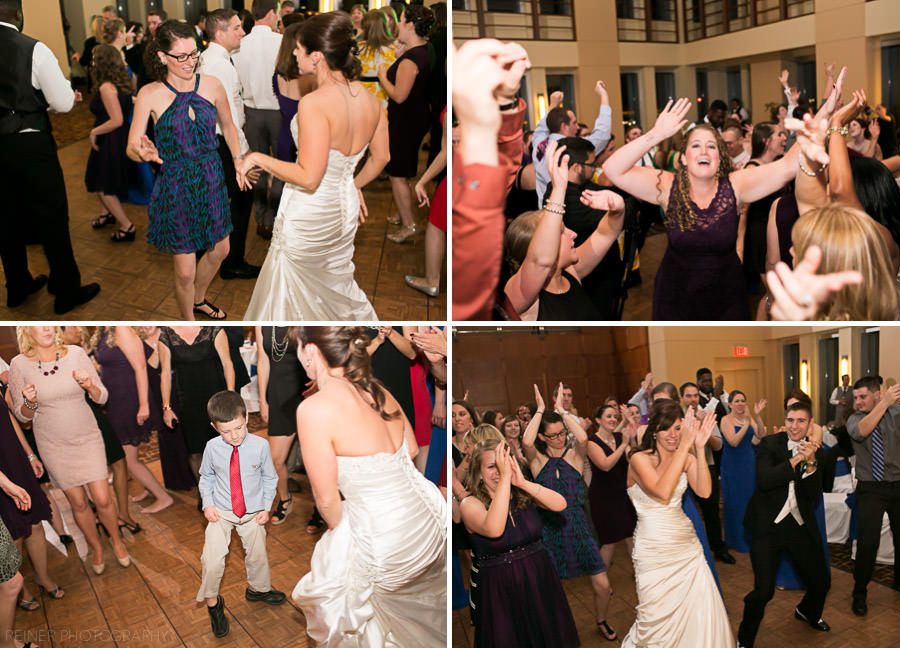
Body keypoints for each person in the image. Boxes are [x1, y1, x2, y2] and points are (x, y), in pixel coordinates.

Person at [291, 327, 446, 646]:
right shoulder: (379, 390)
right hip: (427, 520)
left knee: (358, 612)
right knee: (414, 616)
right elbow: (412, 450)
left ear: (310, 351)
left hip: (383, 541)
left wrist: (343, 539)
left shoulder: (314, 409)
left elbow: (326, 500)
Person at [240, 11, 388, 320]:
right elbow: (381, 158)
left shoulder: (314, 104)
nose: (293, 52)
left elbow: (309, 177)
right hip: (343, 206)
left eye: (299, 47)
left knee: (294, 290)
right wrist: (351, 185)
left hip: (310, 211)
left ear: (317, 56)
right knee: (334, 283)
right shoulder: (371, 100)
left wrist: (256, 157)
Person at [603, 97, 802, 320]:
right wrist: (656, 134)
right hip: (676, 296)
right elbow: (612, 169)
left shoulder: (736, 186)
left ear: (719, 157)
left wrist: (825, 120)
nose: (704, 152)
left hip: (727, 296)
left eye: (711, 147)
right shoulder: (667, 187)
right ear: (684, 158)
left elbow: (788, 167)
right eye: (696, 146)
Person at [128, 20, 248, 320]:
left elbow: (230, 126)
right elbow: (132, 145)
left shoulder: (211, 84)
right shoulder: (150, 93)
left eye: (194, 54)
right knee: (184, 272)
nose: (189, 62)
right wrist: (142, 151)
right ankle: (189, 322)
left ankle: (199, 298)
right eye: (180, 56)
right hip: (177, 184)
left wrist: (237, 159)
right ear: (161, 56)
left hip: (211, 176)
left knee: (220, 250)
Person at [0, 0, 101, 313]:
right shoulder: (33, 49)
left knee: (4, 216)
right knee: (51, 215)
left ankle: (17, 285)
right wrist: (59, 97)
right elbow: (63, 102)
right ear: (18, 14)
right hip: (30, 146)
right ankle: (66, 290)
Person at [8, 327, 131, 575]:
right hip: (53, 444)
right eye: (41, 325)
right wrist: (30, 402)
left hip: (87, 436)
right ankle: (96, 547)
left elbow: (102, 397)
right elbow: (22, 417)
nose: (48, 329)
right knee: (78, 502)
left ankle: (116, 541)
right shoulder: (18, 364)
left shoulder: (74, 354)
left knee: (103, 497)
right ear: (27, 330)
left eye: (51, 325)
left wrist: (89, 385)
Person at [622, 401, 732, 647]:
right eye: (666, 429)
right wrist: (685, 447)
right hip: (653, 550)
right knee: (656, 617)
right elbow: (662, 491)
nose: (672, 435)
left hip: (686, 547)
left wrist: (700, 449)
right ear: (654, 432)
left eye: (678, 428)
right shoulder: (639, 459)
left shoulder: (687, 454)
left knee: (698, 611)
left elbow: (704, 492)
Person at [461, 437, 577, 647]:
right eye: (491, 467)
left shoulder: (522, 494)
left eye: (503, 465)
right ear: (478, 473)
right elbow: (494, 529)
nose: (498, 471)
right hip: (501, 585)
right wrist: (505, 479)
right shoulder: (470, 504)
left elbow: (560, 504)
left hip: (539, 576)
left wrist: (522, 482)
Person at [523, 385, 615, 641]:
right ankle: (554, 629)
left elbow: (583, 439)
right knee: (551, 588)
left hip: (578, 525)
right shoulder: (538, 461)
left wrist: (563, 412)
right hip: (549, 529)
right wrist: (540, 411)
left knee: (603, 585)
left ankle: (602, 619)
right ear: (543, 437)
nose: (560, 438)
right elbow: (526, 442)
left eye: (561, 434)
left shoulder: (574, 456)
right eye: (552, 436)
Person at [737, 402, 831, 648]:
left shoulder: (816, 451)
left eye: (801, 421)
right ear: (785, 420)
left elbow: (812, 497)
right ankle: (744, 639)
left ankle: (807, 611)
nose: (794, 426)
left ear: (810, 424)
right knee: (764, 591)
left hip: (798, 525)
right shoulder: (770, 444)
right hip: (767, 527)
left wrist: (810, 465)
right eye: (790, 420)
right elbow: (766, 480)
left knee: (821, 580)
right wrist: (798, 457)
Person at [503, 142, 625, 320]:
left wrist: (617, 209)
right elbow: (540, 261)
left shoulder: (570, 271)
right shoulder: (522, 294)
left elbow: (606, 233)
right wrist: (559, 188)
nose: (573, 234)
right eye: (562, 232)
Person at [198, 391, 284, 638]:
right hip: (221, 511)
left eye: (238, 428)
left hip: (253, 512)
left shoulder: (260, 446)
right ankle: (214, 606)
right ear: (215, 427)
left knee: (257, 555)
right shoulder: (212, 448)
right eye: (226, 431)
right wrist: (208, 504)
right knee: (211, 559)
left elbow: (270, 477)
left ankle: (258, 589)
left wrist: (267, 506)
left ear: (246, 417)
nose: (233, 436)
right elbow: (207, 477)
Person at [198, 9, 261, 281]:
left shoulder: (211, 57)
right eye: (236, 28)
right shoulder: (220, 65)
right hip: (222, 142)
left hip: (214, 141)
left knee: (222, 200)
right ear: (220, 33)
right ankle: (232, 261)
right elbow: (229, 119)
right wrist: (243, 155)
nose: (242, 32)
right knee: (241, 198)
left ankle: (217, 255)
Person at [93, 327, 174, 514]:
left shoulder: (121, 328)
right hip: (116, 400)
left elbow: (141, 368)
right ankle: (148, 488)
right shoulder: (105, 329)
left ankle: (163, 497)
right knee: (130, 455)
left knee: (129, 459)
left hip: (128, 400)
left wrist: (144, 404)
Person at [377, 4, 434, 244]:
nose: (397, 25)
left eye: (400, 21)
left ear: (410, 25)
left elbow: (399, 95)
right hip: (416, 117)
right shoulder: (425, 49)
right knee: (404, 172)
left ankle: (409, 225)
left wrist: (382, 76)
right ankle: (403, 214)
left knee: (398, 174)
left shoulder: (412, 59)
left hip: (405, 121)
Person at [845, 377, 900, 616]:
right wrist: (884, 403)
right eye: (855, 397)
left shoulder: (896, 412)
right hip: (870, 488)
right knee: (868, 543)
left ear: (877, 394)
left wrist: (890, 404)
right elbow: (861, 432)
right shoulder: (854, 418)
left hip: (897, 485)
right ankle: (859, 593)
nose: (857, 402)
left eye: (863, 396)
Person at [232, 0, 282, 238]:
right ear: (272, 13)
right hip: (278, 112)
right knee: (281, 168)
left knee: (256, 167)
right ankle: (275, 219)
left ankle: (261, 220)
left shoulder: (240, 45)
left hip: (251, 113)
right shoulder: (281, 42)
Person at [255, 325, 308, 527]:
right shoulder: (263, 323)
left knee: (314, 460)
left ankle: (320, 509)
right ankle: (285, 499)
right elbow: (262, 362)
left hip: (305, 394)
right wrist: (262, 400)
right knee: (275, 460)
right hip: (278, 397)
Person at [85, 43, 138, 242]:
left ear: (102, 63)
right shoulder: (124, 81)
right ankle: (107, 213)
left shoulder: (107, 87)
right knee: (103, 178)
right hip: (116, 138)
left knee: (101, 184)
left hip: (110, 139)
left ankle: (127, 226)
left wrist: (93, 131)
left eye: (94, 58)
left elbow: (117, 120)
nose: (91, 62)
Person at [532, 82, 612, 206]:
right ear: (564, 126)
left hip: (544, 211)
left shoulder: (539, 143)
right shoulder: (572, 147)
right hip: (567, 210)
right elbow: (603, 133)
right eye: (574, 123)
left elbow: (542, 126)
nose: (578, 126)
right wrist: (604, 95)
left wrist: (553, 104)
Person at [587, 404, 637, 580]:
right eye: (608, 416)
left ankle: (639, 574)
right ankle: (601, 581)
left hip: (623, 495)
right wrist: (624, 444)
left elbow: (633, 457)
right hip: (604, 498)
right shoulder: (592, 442)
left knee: (632, 536)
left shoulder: (618, 436)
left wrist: (630, 438)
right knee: (609, 542)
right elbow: (606, 465)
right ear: (598, 420)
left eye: (615, 417)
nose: (612, 419)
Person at [405, 107, 447, 297]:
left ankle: (432, 280)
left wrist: (422, 181)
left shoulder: (453, 109)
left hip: (458, 177)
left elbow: (446, 152)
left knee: (436, 225)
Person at [720, 391, 766, 553]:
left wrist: (757, 417)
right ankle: (736, 539)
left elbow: (760, 436)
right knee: (735, 502)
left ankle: (750, 536)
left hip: (748, 463)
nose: (740, 403)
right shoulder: (726, 420)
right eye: (737, 401)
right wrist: (746, 423)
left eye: (743, 400)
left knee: (750, 500)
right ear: (730, 404)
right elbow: (733, 441)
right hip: (733, 466)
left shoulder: (749, 418)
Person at [358, 9, 396, 111]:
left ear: (364, 26)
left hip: (360, 100)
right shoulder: (394, 50)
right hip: (386, 100)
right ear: (384, 26)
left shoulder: (357, 49)